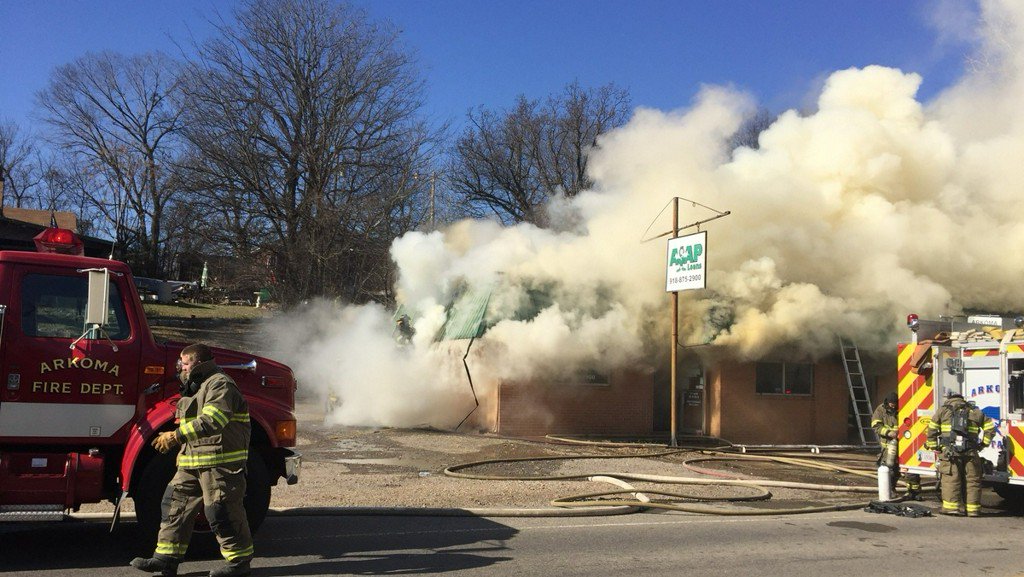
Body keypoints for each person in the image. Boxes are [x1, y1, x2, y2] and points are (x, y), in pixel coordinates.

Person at [131, 343, 253, 577]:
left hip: (220, 462)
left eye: (184, 363)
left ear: (198, 363)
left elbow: (212, 421)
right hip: (191, 461)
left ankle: (239, 563)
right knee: (174, 506)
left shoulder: (220, 384)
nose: (180, 367)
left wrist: (175, 437)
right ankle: (165, 559)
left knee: (222, 512)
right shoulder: (193, 387)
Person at [925, 392, 995, 517]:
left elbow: (931, 430)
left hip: (949, 452)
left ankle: (951, 508)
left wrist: (934, 446)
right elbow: (990, 428)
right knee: (972, 481)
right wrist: (982, 445)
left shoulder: (943, 411)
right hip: (971, 452)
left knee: (951, 479)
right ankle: (973, 510)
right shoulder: (975, 411)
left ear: (950, 400)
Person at [871, 392, 921, 498]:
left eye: (894, 403)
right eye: (891, 403)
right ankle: (890, 490)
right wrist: (889, 433)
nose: (892, 405)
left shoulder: (903, 408)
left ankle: (914, 492)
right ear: (887, 402)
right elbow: (876, 426)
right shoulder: (881, 410)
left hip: (905, 444)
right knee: (890, 469)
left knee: (910, 468)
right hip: (889, 446)